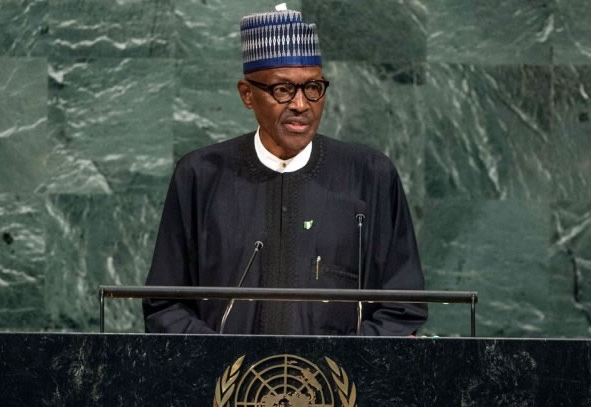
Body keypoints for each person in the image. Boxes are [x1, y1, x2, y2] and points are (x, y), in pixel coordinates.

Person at [143, 8, 427, 336]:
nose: (301, 104)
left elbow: (403, 307)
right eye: (283, 90)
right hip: (223, 383)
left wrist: (341, 365)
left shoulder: (370, 175)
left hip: (339, 384)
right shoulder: (200, 175)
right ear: (247, 94)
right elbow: (165, 304)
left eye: (313, 88)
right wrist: (219, 361)